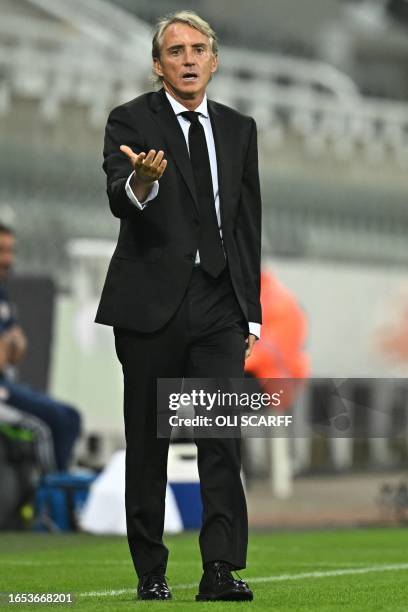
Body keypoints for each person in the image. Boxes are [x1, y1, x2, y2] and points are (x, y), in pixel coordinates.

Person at [96, 11, 262, 602]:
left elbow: (246, 224)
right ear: (157, 64)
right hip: (149, 307)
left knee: (222, 439)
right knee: (149, 442)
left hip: (220, 305)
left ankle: (219, 570)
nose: (188, 59)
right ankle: (151, 572)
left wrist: (252, 312)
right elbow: (121, 196)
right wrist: (143, 181)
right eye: (175, 51)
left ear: (214, 60)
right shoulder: (130, 119)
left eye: (198, 49)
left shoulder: (241, 129)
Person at [0, 223, 81, 472]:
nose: (8, 259)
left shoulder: (3, 296)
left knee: (69, 416)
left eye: (11, 251)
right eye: (2, 251)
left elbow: (16, 351)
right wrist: (9, 345)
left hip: (6, 386)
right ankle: (47, 497)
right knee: (44, 428)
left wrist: (8, 345)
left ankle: (59, 494)